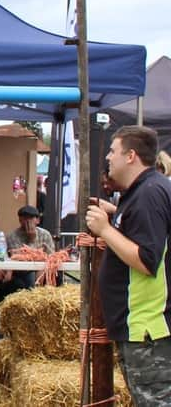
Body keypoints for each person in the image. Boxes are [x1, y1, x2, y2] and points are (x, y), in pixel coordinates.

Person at [86, 126, 171, 405]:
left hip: (147, 327)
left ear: (131, 156)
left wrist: (106, 230)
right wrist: (116, 215)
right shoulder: (144, 190)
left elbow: (147, 260)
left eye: (113, 151)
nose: (108, 157)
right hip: (143, 327)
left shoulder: (148, 194)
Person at [5, 205, 55, 289]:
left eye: (31, 218)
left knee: (56, 275)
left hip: (44, 268)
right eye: (24, 218)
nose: (28, 221)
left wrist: (42, 268)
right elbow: (21, 258)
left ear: (38, 220)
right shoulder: (12, 236)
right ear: (20, 220)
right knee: (30, 276)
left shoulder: (45, 234)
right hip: (22, 271)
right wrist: (31, 240)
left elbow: (52, 256)